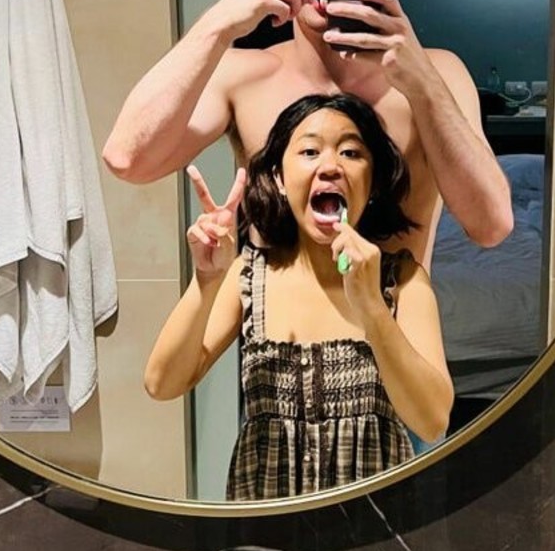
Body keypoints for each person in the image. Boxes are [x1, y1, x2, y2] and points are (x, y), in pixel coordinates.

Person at [103, 0, 513, 267]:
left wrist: (421, 82)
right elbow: (128, 160)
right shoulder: (245, 77)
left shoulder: (438, 72)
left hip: (397, 320)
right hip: (276, 322)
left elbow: (491, 226)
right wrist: (219, 24)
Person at [144, 94, 454, 500]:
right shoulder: (249, 276)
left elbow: (432, 421)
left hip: (374, 525)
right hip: (267, 524)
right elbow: (162, 383)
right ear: (278, 177)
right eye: (310, 151)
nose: (330, 166)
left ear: (374, 180)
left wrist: (373, 309)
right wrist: (206, 281)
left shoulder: (405, 281)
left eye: (350, 152)